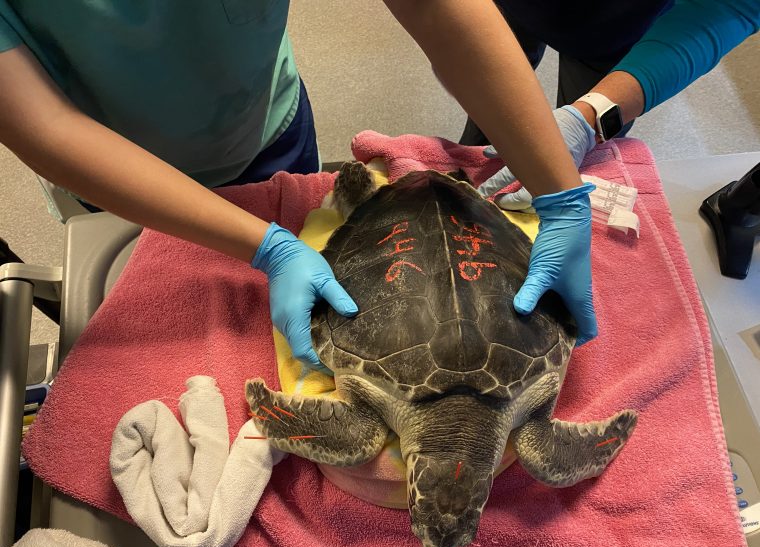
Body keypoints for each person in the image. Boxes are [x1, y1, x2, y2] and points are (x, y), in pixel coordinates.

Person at [0, 0, 595, 376]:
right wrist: (270, 246)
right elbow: (43, 125)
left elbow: (438, 8)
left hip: (264, 123)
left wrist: (561, 194)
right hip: (116, 176)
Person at [474, 0, 760, 207]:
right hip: (502, 10)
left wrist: (588, 119)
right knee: (475, 149)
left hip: (610, 31)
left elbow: (730, 7)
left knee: (567, 172)